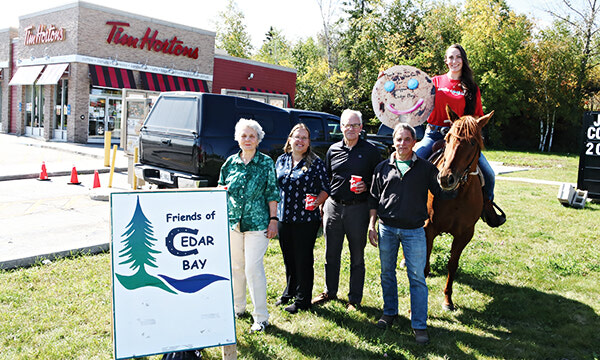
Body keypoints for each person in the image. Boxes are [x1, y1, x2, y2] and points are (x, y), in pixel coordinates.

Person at [368, 123, 451, 345]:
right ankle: (389, 312)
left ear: (414, 142)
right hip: (386, 228)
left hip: (414, 231)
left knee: (417, 278)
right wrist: (371, 225)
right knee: (387, 273)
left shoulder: (425, 168)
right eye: (399, 139)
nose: (402, 143)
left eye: (407, 139)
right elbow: (374, 199)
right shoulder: (383, 167)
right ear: (393, 142)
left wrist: (450, 182)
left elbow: (441, 193)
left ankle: (419, 325)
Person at [415, 43, 505, 227]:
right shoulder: (435, 82)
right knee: (414, 161)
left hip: (461, 139)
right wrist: (388, 83)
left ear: (463, 60)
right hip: (434, 133)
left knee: (489, 174)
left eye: (458, 57)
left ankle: (487, 207)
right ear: (446, 61)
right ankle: (405, 203)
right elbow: (412, 96)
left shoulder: (471, 87)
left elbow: (477, 116)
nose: (454, 61)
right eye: (450, 57)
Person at [312, 109, 382, 310]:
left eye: (354, 125)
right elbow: (326, 179)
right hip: (334, 206)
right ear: (340, 127)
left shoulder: (370, 151)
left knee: (357, 256)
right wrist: (322, 203)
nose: (350, 129)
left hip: (358, 209)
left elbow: (379, 181)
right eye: (346, 125)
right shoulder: (333, 150)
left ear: (361, 128)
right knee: (330, 253)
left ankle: (354, 299)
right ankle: (329, 292)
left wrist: (366, 186)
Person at [218, 118, 280, 333]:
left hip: (258, 224)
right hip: (233, 223)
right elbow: (220, 189)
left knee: (253, 268)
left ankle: (261, 317)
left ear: (258, 139)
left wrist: (274, 220)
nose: (247, 139)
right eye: (243, 135)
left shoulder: (266, 163)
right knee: (236, 267)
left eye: (251, 136)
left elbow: (272, 193)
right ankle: (238, 307)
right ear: (237, 138)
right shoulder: (230, 163)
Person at [275, 123, 330, 314]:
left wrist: (317, 201)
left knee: (303, 259)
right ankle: (289, 291)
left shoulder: (315, 162)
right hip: (284, 216)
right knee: (288, 257)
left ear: (308, 142)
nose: (300, 141)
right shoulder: (281, 160)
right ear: (290, 139)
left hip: (306, 219)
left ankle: (302, 299)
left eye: (304, 138)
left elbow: (326, 189)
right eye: (296, 137)